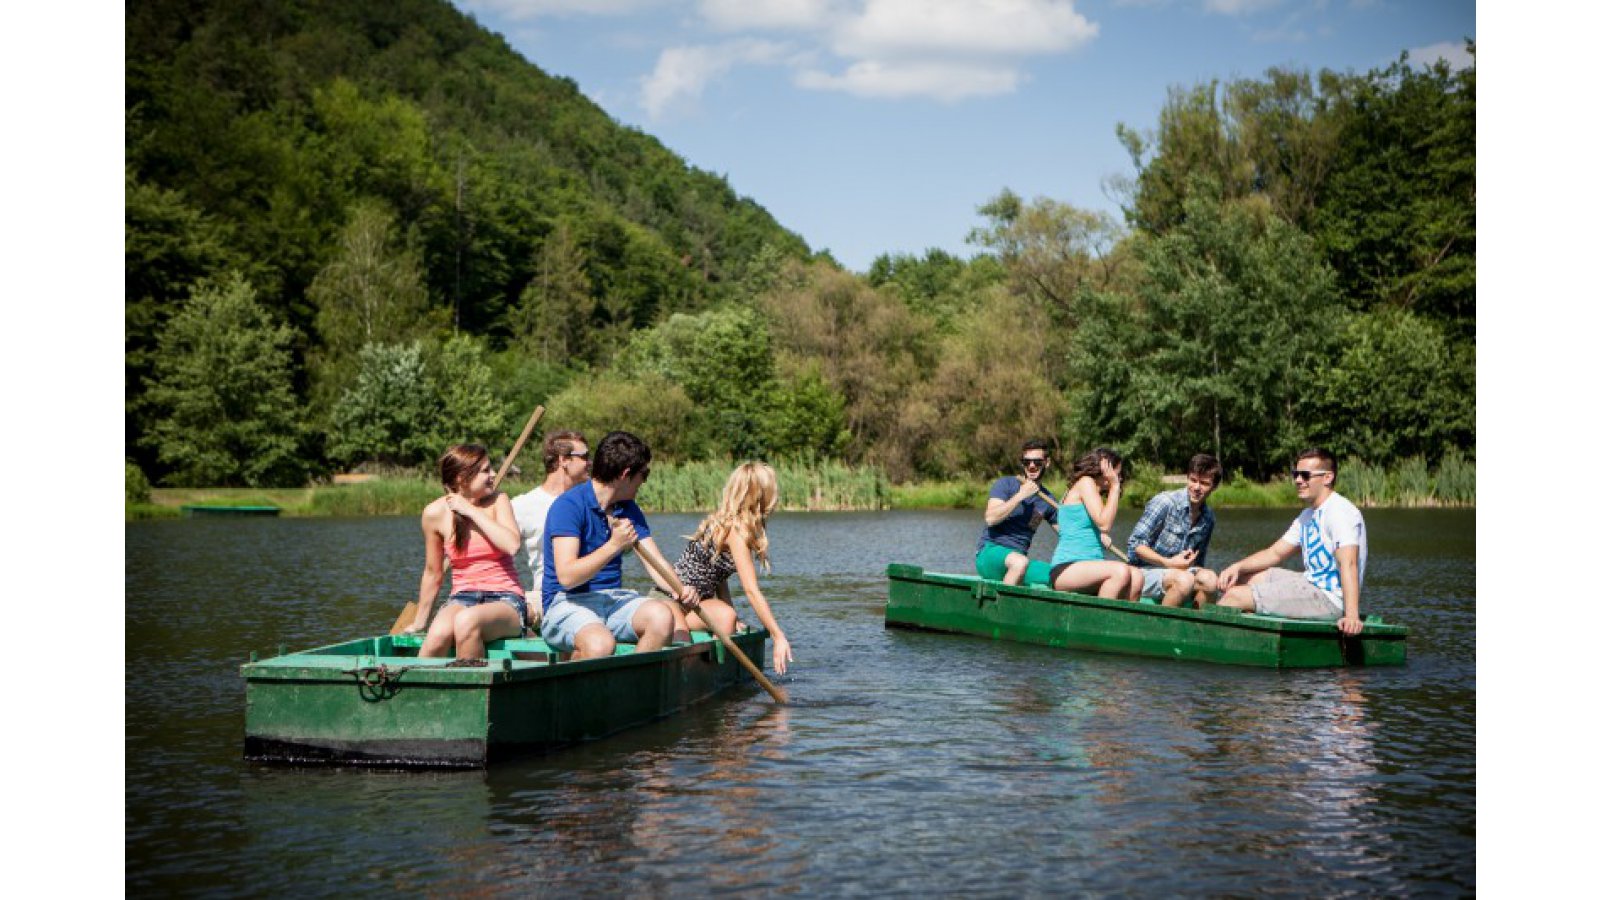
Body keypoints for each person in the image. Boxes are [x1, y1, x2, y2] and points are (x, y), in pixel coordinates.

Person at [540, 430, 700, 660]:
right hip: (567, 602)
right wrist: (614, 545)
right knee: (600, 645)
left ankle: (634, 679)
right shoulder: (568, 506)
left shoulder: (628, 509)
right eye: (643, 474)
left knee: (662, 617)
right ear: (625, 474)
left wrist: (680, 589)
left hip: (613, 600)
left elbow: (655, 563)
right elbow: (567, 577)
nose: (644, 482)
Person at [1216, 447, 1369, 635]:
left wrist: (1352, 616)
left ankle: (1207, 641)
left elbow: (1349, 563)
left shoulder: (1340, 512)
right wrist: (1237, 567)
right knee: (1241, 579)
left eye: (1305, 475)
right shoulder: (1307, 515)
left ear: (1327, 478)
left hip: (1329, 599)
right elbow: (1275, 553)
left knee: (1235, 596)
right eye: (1296, 474)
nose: (1297, 480)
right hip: (1310, 583)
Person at [663, 462, 795, 675]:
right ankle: (703, 674)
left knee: (728, 616)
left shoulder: (733, 524)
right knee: (724, 618)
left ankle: (714, 673)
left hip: (696, 604)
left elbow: (719, 576)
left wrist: (735, 618)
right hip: (671, 601)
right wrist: (777, 636)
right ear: (760, 496)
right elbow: (751, 591)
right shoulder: (734, 530)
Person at [406, 444, 529, 659]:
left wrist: (470, 510)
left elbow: (512, 545)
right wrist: (419, 622)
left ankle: (470, 680)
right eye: (485, 471)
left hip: (506, 599)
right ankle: (417, 681)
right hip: (462, 597)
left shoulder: (499, 500)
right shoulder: (434, 513)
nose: (493, 475)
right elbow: (433, 573)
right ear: (462, 478)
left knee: (467, 621)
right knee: (437, 635)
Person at [1125, 453, 1223, 607]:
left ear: (1214, 487)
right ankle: (1162, 622)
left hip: (1181, 574)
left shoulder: (1208, 518)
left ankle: (1192, 620)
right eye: (1193, 480)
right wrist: (1168, 563)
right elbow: (1135, 545)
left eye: (1204, 483)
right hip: (1143, 572)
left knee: (1211, 581)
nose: (1197, 487)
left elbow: (1199, 562)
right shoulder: (1165, 502)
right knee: (1184, 580)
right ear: (1187, 478)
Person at [1048, 448, 1143, 600]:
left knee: (1137, 576)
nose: (1119, 479)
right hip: (1066, 567)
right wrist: (1115, 487)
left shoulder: (1094, 492)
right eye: (1117, 474)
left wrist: (1099, 536)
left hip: (1090, 567)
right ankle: (1099, 615)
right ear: (1105, 469)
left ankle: (1120, 616)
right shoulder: (1085, 482)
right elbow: (1104, 524)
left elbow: (1097, 526)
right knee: (1120, 571)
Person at [511, 429, 589, 603]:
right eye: (584, 456)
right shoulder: (522, 505)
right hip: (547, 597)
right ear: (564, 460)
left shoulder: (593, 501)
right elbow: (499, 554)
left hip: (592, 592)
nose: (589, 463)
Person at [975, 439, 1060, 586]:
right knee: (1019, 563)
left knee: (1061, 576)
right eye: (1027, 462)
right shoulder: (1006, 484)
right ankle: (1002, 601)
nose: (1032, 466)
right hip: (990, 553)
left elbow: (1067, 533)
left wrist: (1097, 534)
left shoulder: (1047, 500)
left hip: (1020, 561)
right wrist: (1021, 495)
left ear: (1047, 463)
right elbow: (990, 518)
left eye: (1037, 462)